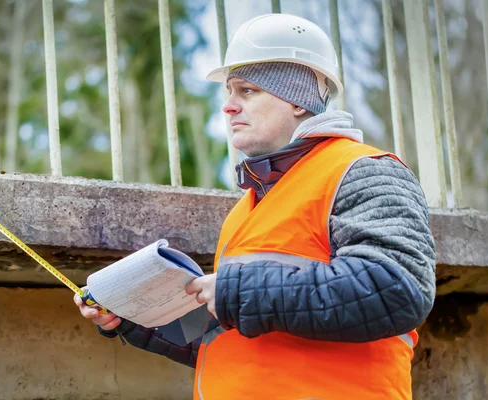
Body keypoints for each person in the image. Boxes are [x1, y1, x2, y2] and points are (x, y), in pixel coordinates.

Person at [75, 13, 435, 400]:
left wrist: (239, 291)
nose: (228, 107)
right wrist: (131, 317)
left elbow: (398, 288)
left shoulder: (364, 172)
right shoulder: (248, 206)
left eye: (247, 90)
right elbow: (226, 343)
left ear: (298, 100)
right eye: (229, 91)